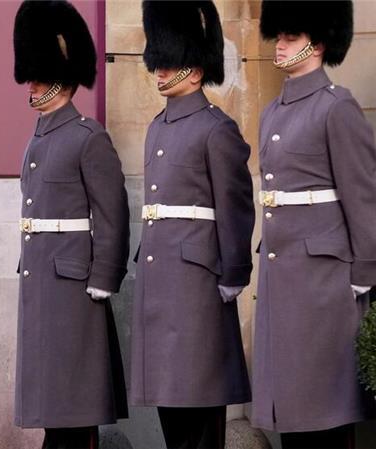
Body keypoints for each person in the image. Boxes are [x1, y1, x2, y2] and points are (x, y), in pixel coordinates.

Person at [252, 1, 376, 447]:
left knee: (325, 410)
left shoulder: (336, 106)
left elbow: (363, 196)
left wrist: (365, 272)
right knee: (292, 410)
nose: (279, 45)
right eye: (279, 36)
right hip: (284, 278)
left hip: (325, 282)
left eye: (290, 38)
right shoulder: (272, 112)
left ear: (317, 44)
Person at [130, 2, 254, 448]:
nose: (159, 72)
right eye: (157, 63)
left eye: (169, 64)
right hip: (161, 284)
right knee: (171, 406)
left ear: (196, 72)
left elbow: (236, 207)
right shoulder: (157, 128)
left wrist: (234, 273)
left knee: (200, 406)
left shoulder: (215, 129)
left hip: (198, 284)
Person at [12, 2, 130, 447]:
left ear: (58, 78)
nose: (31, 83)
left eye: (38, 76)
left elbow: (111, 212)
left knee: (74, 397)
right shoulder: (40, 136)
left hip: (74, 282)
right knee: (51, 394)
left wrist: (104, 276)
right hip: (41, 277)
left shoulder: (87, 135)